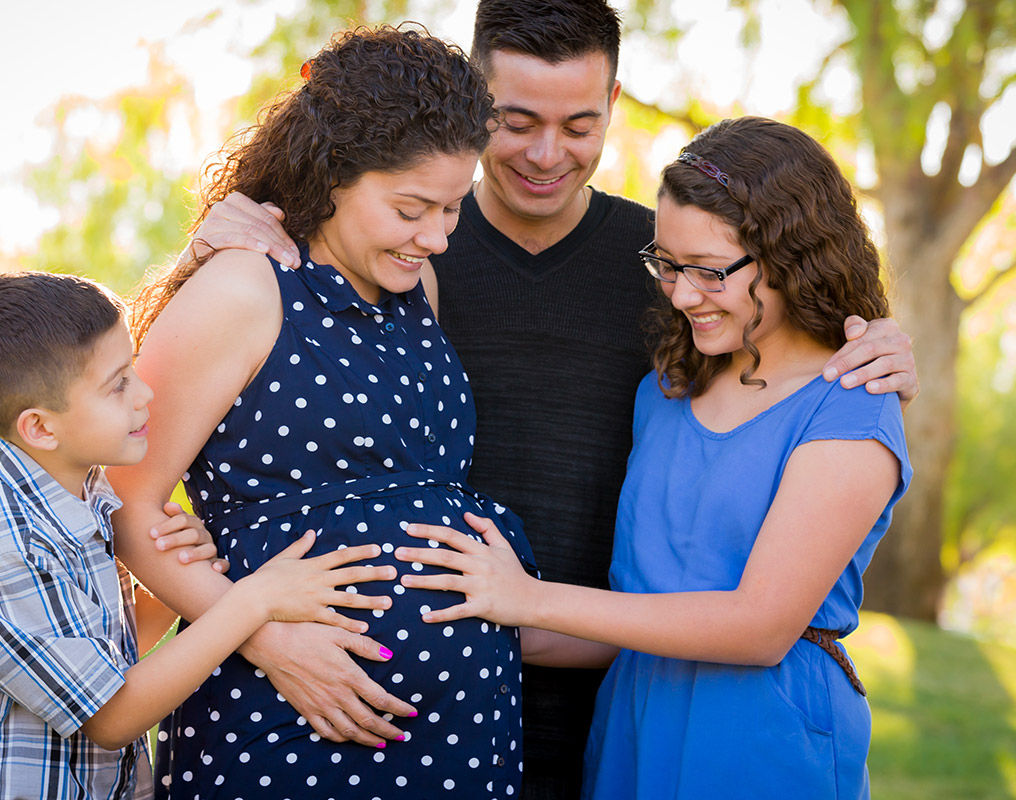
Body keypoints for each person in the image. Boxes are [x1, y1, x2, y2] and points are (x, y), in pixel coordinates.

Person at [188, 2, 920, 796]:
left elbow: (783, 367)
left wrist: (875, 339)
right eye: (517, 120)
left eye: (578, 124)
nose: (546, 153)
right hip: (418, 705)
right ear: (472, 109)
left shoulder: (672, 278)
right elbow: (243, 394)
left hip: (609, 705)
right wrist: (226, 232)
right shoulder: (399, 248)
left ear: (614, 105)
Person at [395, 116, 911, 799]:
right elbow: (632, 618)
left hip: (760, 738)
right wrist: (454, 614)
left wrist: (530, 596)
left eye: (708, 271)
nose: (681, 293)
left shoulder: (852, 403)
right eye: (667, 264)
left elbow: (758, 627)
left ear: (793, 258)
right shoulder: (665, 392)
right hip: (632, 726)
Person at [106, 25, 537, 799]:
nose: (437, 237)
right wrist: (267, 640)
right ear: (335, 174)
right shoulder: (245, 288)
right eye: (412, 208)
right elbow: (125, 505)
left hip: (458, 729)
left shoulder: (416, 293)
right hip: (283, 713)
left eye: (451, 208)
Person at [0, 271, 392, 799]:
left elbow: (104, 651)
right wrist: (252, 601)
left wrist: (168, 590)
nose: (145, 393)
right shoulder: (1, 546)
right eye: (118, 385)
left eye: (132, 367)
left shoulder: (76, 489)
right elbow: (111, 715)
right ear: (40, 427)